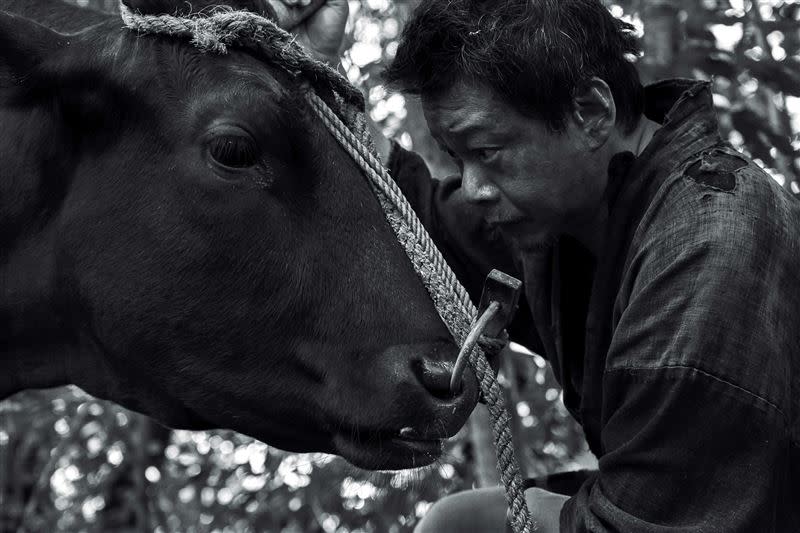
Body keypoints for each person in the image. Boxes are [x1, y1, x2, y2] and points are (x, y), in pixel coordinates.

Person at [273, 0, 800, 531]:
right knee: (456, 524)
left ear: (591, 113)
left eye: (487, 150)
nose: (473, 188)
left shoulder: (707, 245)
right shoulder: (567, 214)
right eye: (459, 159)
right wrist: (310, 66)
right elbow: (420, 212)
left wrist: (551, 518)